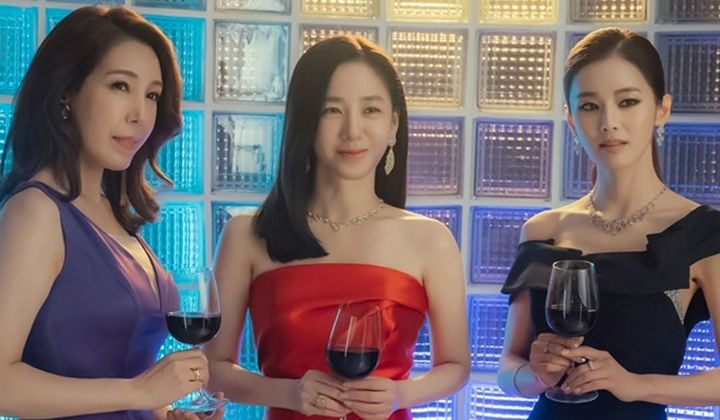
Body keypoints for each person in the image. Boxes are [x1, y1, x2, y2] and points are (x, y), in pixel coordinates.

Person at [205, 35, 470, 420]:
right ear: (305, 122)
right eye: (332, 110)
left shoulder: (431, 240)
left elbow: (456, 366)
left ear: (393, 125)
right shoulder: (246, 235)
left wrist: (400, 394)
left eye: (371, 110)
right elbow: (213, 370)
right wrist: (289, 393)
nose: (352, 130)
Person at [0, 6, 222, 419]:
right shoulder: (36, 211)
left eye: (152, 95)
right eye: (121, 86)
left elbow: (123, 376)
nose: (140, 115)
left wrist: (163, 411)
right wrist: (140, 392)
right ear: (66, 92)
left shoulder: (111, 211)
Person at [497, 27, 720, 419]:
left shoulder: (701, 232)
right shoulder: (542, 230)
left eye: (628, 101)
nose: (608, 122)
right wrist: (536, 375)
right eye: (589, 106)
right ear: (570, 119)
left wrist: (636, 385)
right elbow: (507, 369)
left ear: (661, 108)